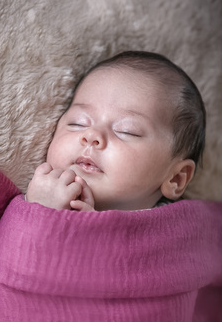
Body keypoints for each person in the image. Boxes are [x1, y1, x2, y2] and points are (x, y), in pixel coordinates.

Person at [26, 51, 206, 212]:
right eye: (77, 123)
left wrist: (88, 232)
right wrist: (38, 208)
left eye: (126, 131)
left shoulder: (186, 228)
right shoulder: (32, 199)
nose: (92, 135)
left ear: (175, 178)